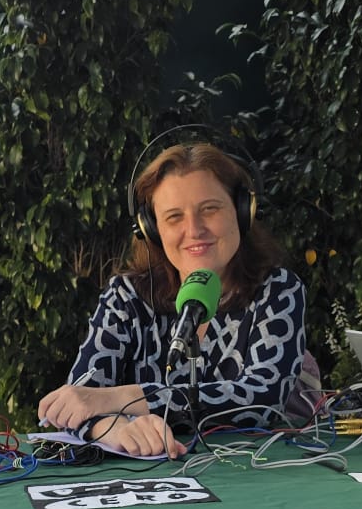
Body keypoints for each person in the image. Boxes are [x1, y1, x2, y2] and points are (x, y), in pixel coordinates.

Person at [40, 141, 308, 459]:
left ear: (242, 211)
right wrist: (113, 429)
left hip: (252, 478)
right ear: (150, 229)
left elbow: (262, 399)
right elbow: (78, 398)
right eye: (173, 217)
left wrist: (120, 399)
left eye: (210, 209)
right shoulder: (125, 297)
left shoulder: (277, 290)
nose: (193, 230)